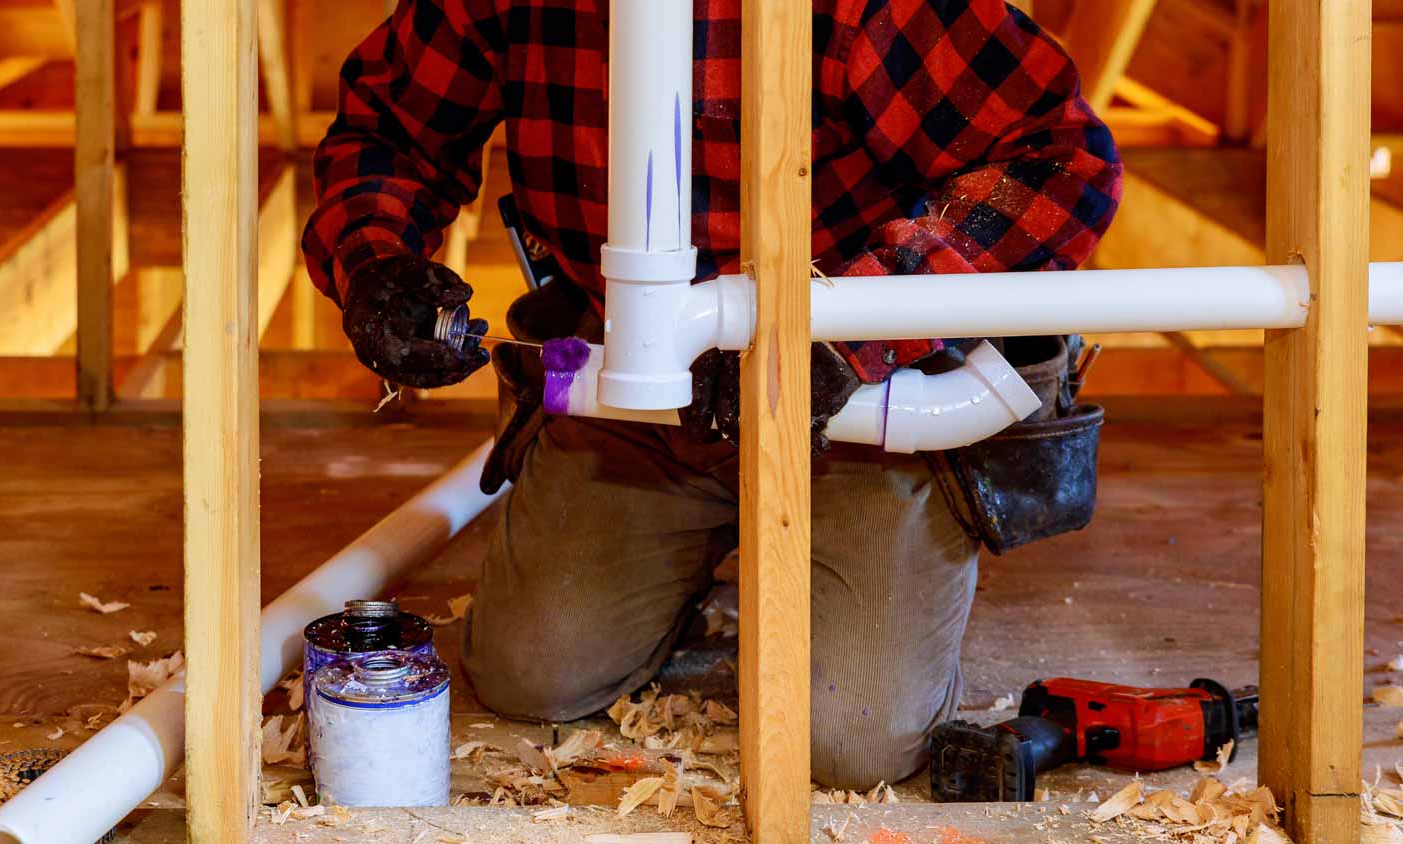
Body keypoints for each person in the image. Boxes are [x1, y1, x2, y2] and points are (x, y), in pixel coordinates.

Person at [302, 0, 1122, 788]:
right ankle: (705, 550)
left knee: (852, 741)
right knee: (531, 675)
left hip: (859, 396)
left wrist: (847, 321)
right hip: (639, 389)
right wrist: (375, 259)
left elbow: (1058, 161)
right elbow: (391, 133)